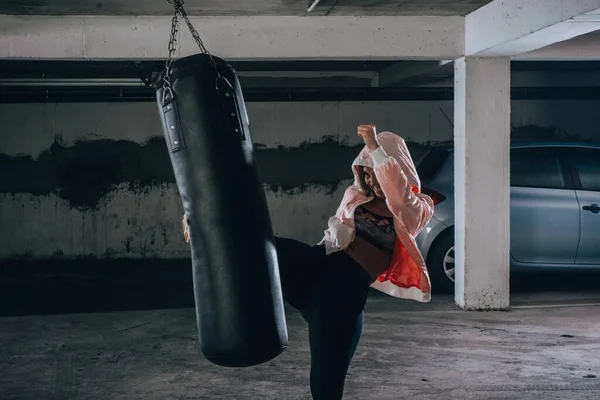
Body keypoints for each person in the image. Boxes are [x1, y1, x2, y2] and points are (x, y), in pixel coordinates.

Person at [182, 125, 434, 399]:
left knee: (326, 386)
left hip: (344, 296)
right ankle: (198, 228)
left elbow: (400, 193)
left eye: (378, 176)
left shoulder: (417, 209)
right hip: (318, 266)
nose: (373, 183)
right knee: (262, 245)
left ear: (400, 170)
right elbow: (334, 237)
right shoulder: (356, 197)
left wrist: (374, 146)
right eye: (368, 175)